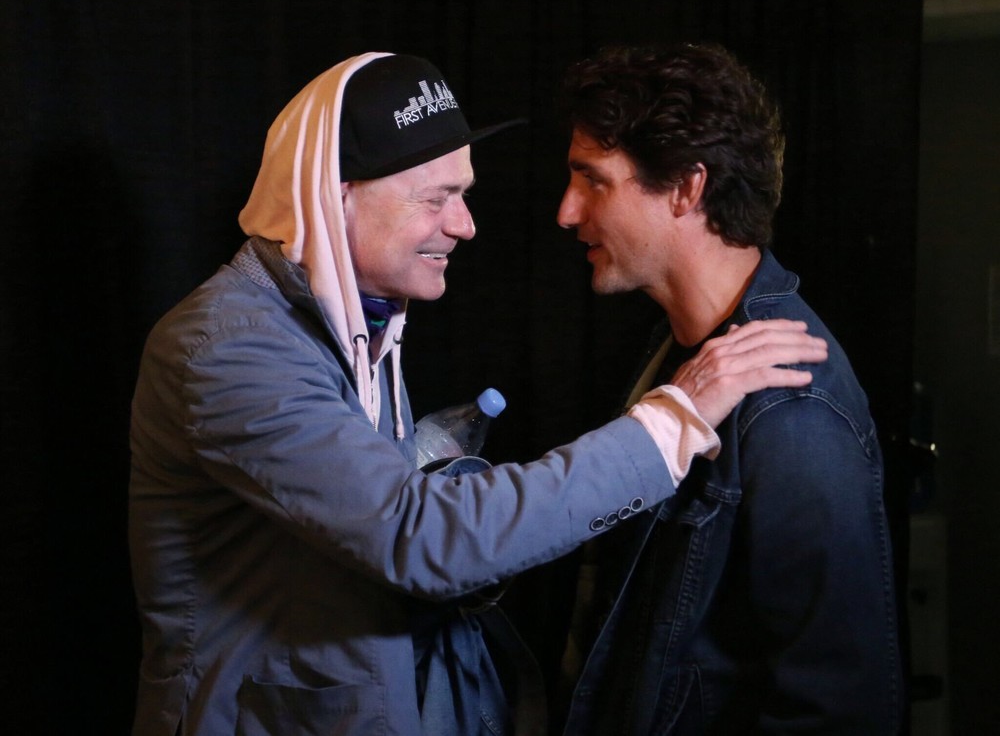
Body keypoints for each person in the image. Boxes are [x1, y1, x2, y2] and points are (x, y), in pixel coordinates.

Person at [127, 51, 828, 736]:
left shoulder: (353, 318)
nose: (464, 225)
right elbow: (420, 536)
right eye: (437, 199)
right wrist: (672, 423)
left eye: (463, 196)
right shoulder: (227, 347)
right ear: (335, 198)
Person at [553, 43, 902, 734]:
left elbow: (840, 710)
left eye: (593, 180)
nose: (567, 212)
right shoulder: (676, 348)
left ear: (687, 187)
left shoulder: (793, 406)